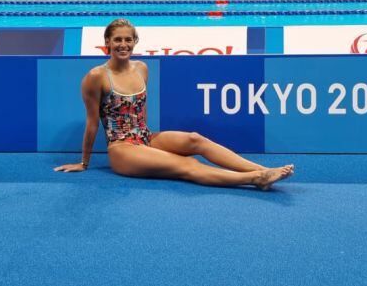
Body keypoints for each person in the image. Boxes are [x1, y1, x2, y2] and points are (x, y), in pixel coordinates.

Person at [55, 19, 294, 190]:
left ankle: (262, 169)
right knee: (186, 164)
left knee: (195, 139)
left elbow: (142, 110)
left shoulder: (141, 68)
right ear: (107, 42)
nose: (123, 45)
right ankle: (255, 178)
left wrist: (148, 143)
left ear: (135, 42)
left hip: (144, 137)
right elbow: (91, 124)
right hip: (122, 149)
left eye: (128, 39)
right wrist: (84, 162)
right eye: (117, 40)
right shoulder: (96, 77)